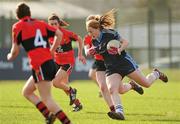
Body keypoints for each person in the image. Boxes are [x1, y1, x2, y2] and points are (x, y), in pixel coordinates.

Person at [85, 9, 168, 120]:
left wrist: (119, 49)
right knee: (112, 89)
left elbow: (125, 42)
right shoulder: (94, 41)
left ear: (97, 28)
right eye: (88, 32)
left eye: (91, 31)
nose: (89, 34)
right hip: (111, 67)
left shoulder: (110, 33)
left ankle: (156, 74)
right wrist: (93, 51)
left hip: (124, 63)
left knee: (146, 83)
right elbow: (99, 49)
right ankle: (120, 112)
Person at [7, 3, 71, 124]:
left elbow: (14, 51)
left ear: (18, 16)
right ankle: (48, 115)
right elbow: (60, 34)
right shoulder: (41, 23)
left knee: (47, 99)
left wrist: (9, 56)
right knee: (27, 91)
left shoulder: (17, 26)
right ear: (29, 13)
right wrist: (52, 50)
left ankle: (67, 122)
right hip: (49, 63)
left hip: (40, 65)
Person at [84, 15, 144, 114]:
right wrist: (88, 51)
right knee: (103, 87)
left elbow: (118, 42)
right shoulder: (88, 37)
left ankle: (131, 85)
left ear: (97, 25)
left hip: (111, 61)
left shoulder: (107, 33)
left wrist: (118, 48)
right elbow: (86, 50)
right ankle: (114, 109)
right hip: (100, 63)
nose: (90, 31)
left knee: (121, 90)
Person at [48, 13, 86, 111]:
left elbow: (80, 39)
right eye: (51, 24)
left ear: (58, 24)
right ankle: (78, 104)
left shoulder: (65, 33)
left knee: (56, 83)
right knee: (65, 87)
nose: (53, 26)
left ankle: (72, 91)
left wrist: (80, 54)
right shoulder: (49, 35)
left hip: (67, 62)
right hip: (57, 62)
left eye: (55, 24)